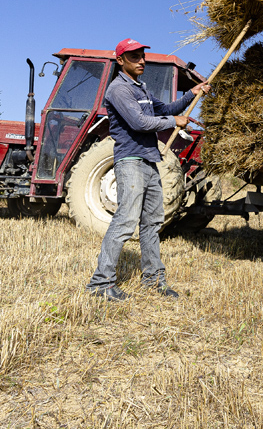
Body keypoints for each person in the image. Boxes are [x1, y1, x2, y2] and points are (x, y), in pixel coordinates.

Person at [86, 38, 209, 302]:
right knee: (125, 221)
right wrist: (172, 121)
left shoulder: (140, 88)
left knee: (152, 223)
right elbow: (139, 122)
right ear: (120, 61)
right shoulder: (118, 90)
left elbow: (164, 108)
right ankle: (101, 282)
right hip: (130, 160)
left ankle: (153, 280)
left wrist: (192, 93)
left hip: (150, 160)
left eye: (142, 55)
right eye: (134, 56)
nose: (141, 60)